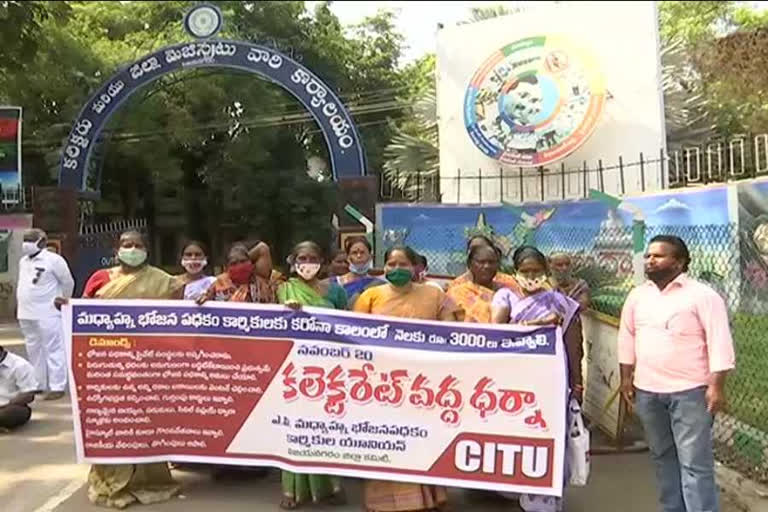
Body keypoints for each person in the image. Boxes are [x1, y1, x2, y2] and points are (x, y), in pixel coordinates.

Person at [618, 235, 735, 512]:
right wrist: (625, 379)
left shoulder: (703, 296)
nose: (650, 260)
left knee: (694, 463)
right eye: (648, 256)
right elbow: (626, 337)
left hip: (690, 392)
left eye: (658, 256)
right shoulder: (638, 296)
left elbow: (719, 341)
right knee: (662, 456)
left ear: (679, 262)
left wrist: (716, 386)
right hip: (647, 391)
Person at [73, 230, 184, 508]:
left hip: (149, 366)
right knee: (114, 422)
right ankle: (111, 477)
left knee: (147, 422)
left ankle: (150, 478)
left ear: (147, 250)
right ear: (117, 249)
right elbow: (83, 315)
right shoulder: (100, 279)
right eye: (127, 245)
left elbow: (180, 319)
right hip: (109, 367)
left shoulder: (163, 281)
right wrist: (68, 310)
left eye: (138, 245)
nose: (132, 249)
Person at [354, 245, 458, 512]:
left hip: (423, 383)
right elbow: (352, 334)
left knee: (420, 438)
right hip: (381, 384)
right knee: (386, 438)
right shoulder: (370, 296)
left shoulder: (434, 295)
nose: (397, 270)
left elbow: (451, 331)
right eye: (391, 264)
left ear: (415, 268)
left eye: (403, 265)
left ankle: (427, 497)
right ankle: (382, 502)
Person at [491, 246, 584, 512]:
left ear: (545, 272)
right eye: (525, 271)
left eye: (536, 271)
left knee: (547, 435)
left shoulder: (559, 301)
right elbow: (496, 331)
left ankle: (543, 500)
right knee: (514, 434)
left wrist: (577, 383)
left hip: (551, 381)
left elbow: (573, 344)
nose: (531, 275)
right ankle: (513, 487)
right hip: (513, 379)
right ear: (515, 272)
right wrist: (538, 324)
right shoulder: (505, 296)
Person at [277, 241, 347, 509]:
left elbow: (349, 325)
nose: (307, 262)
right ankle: (292, 490)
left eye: (313, 257)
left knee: (328, 426)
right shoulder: (283, 290)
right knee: (294, 427)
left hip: (330, 367)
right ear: (293, 262)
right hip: (294, 369)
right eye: (302, 258)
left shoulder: (335, 290)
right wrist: (287, 314)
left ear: (322, 262)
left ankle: (330, 486)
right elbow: (267, 324)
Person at [16, 228, 74, 401]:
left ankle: (57, 386)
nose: (26, 243)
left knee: (54, 349)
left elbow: (67, 281)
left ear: (42, 241)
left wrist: (64, 299)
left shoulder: (54, 260)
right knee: (34, 350)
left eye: (31, 239)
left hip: (48, 312)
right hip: (26, 313)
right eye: (25, 239)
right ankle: (38, 384)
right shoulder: (23, 261)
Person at [199, 241, 281, 304]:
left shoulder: (261, 283)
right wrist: (204, 300)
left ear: (251, 262)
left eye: (243, 261)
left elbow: (263, 248)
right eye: (234, 263)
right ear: (227, 267)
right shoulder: (219, 283)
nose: (240, 266)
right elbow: (206, 298)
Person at [447, 244, 503, 323]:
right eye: (481, 262)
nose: (487, 266)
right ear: (470, 264)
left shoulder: (506, 292)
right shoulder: (457, 293)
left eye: (491, 262)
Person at [446, 235, 520, 291]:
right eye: (473, 249)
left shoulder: (508, 283)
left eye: (482, 248)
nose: (486, 266)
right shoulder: (456, 287)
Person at [332, 236, 384, 307]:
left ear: (370, 256)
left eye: (362, 252)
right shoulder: (335, 283)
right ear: (348, 257)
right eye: (354, 253)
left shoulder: (378, 284)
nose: (359, 256)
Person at [0, 345, 40, 432]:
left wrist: (7, 404)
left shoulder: (20, 365)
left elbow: (29, 395)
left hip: (10, 406)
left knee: (6, 414)